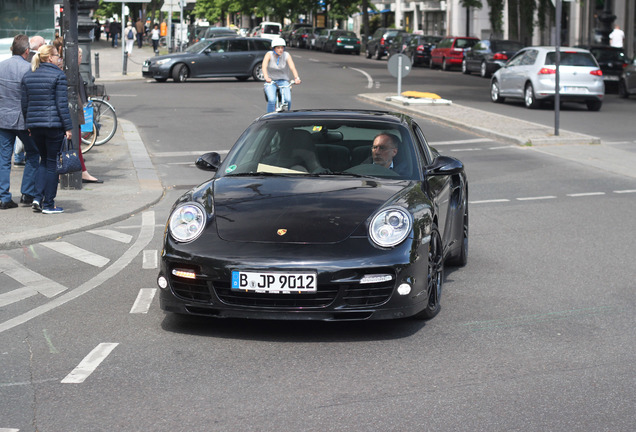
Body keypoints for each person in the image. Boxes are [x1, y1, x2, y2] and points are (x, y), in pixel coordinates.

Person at [21, 44, 73, 214]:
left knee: (43, 160)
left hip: (35, 127)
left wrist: (29, 124)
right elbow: (61, 105)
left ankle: (37, 198)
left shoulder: (29, 75)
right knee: (52, 163)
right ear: (50, 57)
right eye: (57, 55)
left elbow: (25, 104)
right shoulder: (58, 75)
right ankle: (49, 204)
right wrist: (68, 127)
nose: (59, 58)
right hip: (53, 126)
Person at [0, 35, 39, 210]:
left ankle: (3, 197)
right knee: (33, 153)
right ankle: (28, 193)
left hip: (3, 119)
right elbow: (32, 97)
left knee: (3, 159)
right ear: (26, 51)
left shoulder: (1, 67)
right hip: (24, 120)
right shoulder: (29, 68)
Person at [262, 38, 301, 113]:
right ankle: (269, 117)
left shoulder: (286, 55)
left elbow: (292, 67)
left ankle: (287, 116)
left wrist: (297, 78)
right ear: (274, 48)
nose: (281, 50)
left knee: (287, 100)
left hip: (283, 81)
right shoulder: (269, 54)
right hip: (271, 81)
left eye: (282, 47)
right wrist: (266, 77)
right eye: (278, 48)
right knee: (272, 100)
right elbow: (264, 67)